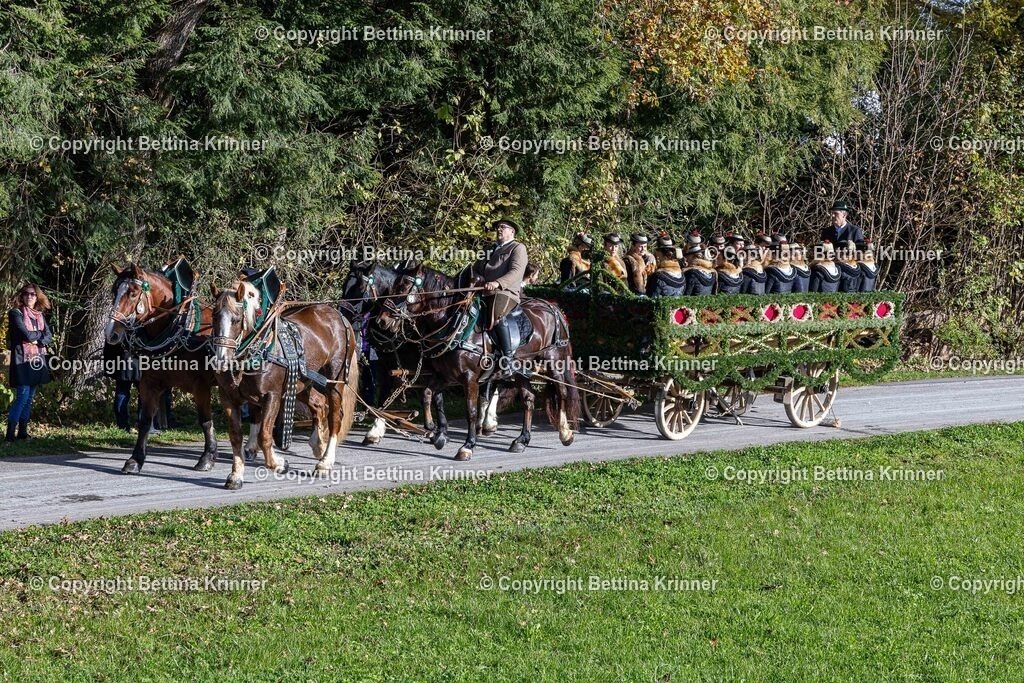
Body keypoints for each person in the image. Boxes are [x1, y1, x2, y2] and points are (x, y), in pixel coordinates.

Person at [472, 219, 529, 378]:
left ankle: (508, 359)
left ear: (512, 232)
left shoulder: (518, 248)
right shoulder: (489, 248)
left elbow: (516, 272)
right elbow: (475, 268)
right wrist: (475, 278)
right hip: (483, 291)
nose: (499, 229)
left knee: (497, 314)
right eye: (498, 227)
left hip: (505, 293)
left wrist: (497, 283)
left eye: (503, 227)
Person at [6, 284, 53, 442]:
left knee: (30, 397)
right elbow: (24, 333)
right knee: (22, 396)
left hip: (37, 360)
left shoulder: (40, 315)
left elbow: (49, 336)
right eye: (26, 294)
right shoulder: (15, 313)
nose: (29, 296)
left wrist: (36, 338)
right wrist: (39, 337)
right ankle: (10, 435)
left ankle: (23, 433)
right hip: (22, 360)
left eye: (33, 294)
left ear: (37, 296)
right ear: (22, 295)